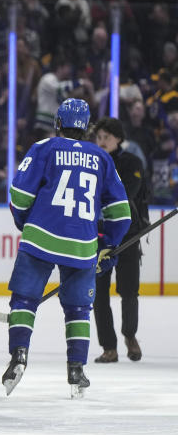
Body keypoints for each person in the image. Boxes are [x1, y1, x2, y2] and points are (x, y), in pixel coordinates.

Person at [3, 99, 131, 399]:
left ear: (58, 123)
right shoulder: (102, 157)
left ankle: (18, 357)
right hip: (82, 245)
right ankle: (77, 370)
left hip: (41, 238)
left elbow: (19, 195)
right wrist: (108, 243)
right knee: (78, 310)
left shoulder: (43, 148)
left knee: (24, 300)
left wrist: (25, 222)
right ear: (86, 127)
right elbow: (121, 212)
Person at [92, 117, 148, 362]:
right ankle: (109, 346)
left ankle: (130, 335)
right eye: (99, 137)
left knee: (128, 290)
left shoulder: (131, 162)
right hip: (98, 235)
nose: (102, 141)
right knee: (99, 293)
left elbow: (128, 193)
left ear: (118, 138)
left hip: (127, 234)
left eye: (107, 137)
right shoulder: (91, 163)